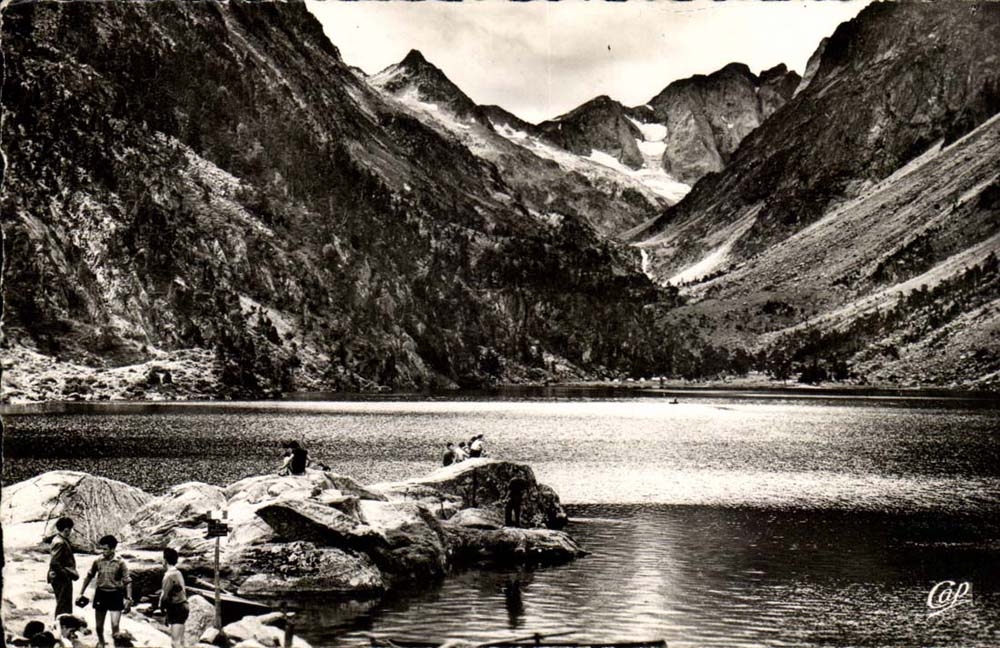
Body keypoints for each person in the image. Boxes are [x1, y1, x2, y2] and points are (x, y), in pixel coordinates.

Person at [78, 535, 132, 648]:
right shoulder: (98, 561)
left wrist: (128, 598)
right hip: (101, 594)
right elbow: (89, 576)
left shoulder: (120, 562)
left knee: (115, 625)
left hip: (116, 594)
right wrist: (81, 592)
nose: (103, 551)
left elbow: (127, 581)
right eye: (102, 549)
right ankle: (101, 642)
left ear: (113, 549)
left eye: (105, 549)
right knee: (98, 626)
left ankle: (116, 645)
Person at [48, 517, 78, 624]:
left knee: (64, 604)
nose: (69, 532)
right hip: (60, 577)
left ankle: (65, 627)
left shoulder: (59, 539)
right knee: (63, 605)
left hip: (59, 576)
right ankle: (61, 627)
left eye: (69, 529)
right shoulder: (60, 542)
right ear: (63, 530)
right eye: (67, 530)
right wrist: (66, 575)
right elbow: (54, 563)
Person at [159, 548, 188, 648]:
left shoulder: (168, 576)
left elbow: (164, 596)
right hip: (184, 606)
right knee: (181, 641)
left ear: (165, 560)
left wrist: (161, 608)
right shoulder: (178, 573)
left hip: (176, 608)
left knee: (175, 643)